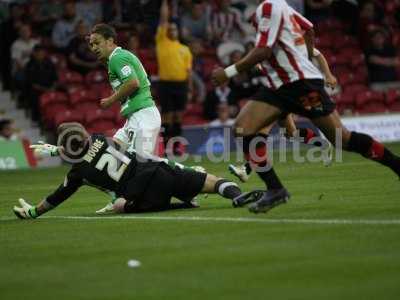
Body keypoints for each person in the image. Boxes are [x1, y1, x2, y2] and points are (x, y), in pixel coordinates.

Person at [211, 0, 400, 213]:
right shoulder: (279, 7)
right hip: (280, 86)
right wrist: (306, 57)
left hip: (300, 84)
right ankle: (275, 189)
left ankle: (397, 165)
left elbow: (263, 51)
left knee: (342, 139)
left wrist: (227, 73)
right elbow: (308, 28)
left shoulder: (269, 7)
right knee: (243, 128)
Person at [13, 123, 252, 219]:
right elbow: (85, 146)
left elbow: (56, 198)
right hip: (157, 170)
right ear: (85, 135)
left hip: (140, 194)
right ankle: (237, 195)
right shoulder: (99, 138)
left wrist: (34, 211)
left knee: (119, 206)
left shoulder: (78, 174)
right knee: (214, 181)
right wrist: (58, 149)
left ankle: (184, 204)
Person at [89, 23, 162, 212]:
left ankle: (193, 179)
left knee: (145, 164)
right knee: (109, 158)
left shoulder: (117, 58)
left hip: (144, 115)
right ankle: (117, 197)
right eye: (91, 45)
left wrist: (110, 100)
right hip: (134, 118)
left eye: (97, 43)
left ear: (110, 41)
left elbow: (133, 83)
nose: (94, 48)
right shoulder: (116, 59)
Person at [156, 0, 193, 155]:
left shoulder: (185, 49)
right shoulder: (162, 42)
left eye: (174, 29)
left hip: (181, 85)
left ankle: (177, 147)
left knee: (178, 117)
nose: (171, 31)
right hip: (165, 84)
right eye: (169, 29)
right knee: (166, 117)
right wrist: (165, 3)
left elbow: (189, 71)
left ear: (178, 32)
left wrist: (190, 89)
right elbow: (164, 20)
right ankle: (165, 148)